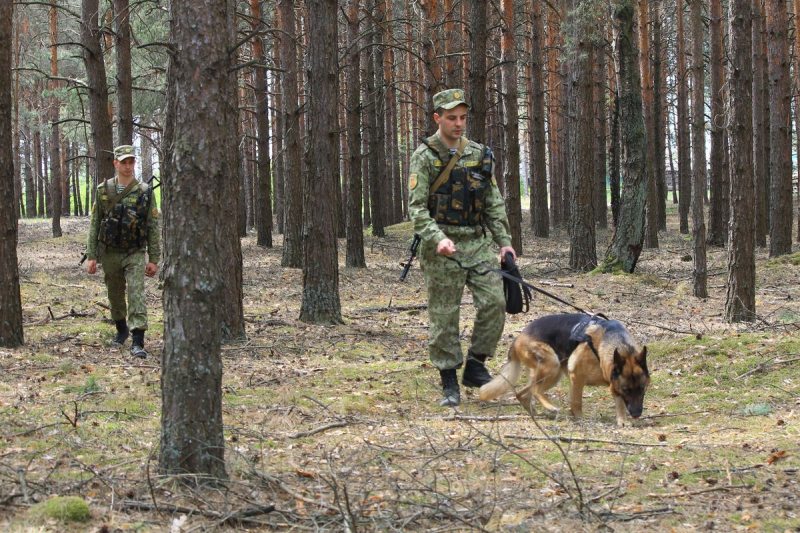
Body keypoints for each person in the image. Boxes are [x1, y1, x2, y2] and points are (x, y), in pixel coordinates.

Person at [407, 89, 517, 407]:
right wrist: (435, 237)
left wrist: (505, 243)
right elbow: (416, 208)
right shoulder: (425, 156)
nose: (458, 123)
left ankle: (476, 366)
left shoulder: (480, 154)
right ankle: (449, 383)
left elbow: (493, 203)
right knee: (444, 315)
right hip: (442, 245)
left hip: (477, 240)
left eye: (462, 117)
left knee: (495, 301)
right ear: (437, 118)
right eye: (451, 117)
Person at [86, 145, 160, 358]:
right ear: (116, 163)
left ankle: (138, 340)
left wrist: (154, 258)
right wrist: (92, 255)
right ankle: (121, 329)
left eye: (131, 162)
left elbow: (153, 226)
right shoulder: (103, 191)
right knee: (115, 294)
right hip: (110, 252)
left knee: (136, 293)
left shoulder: (144, 191)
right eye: (124, 162)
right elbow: (94, 224)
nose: (128, 167)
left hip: (134, 252)